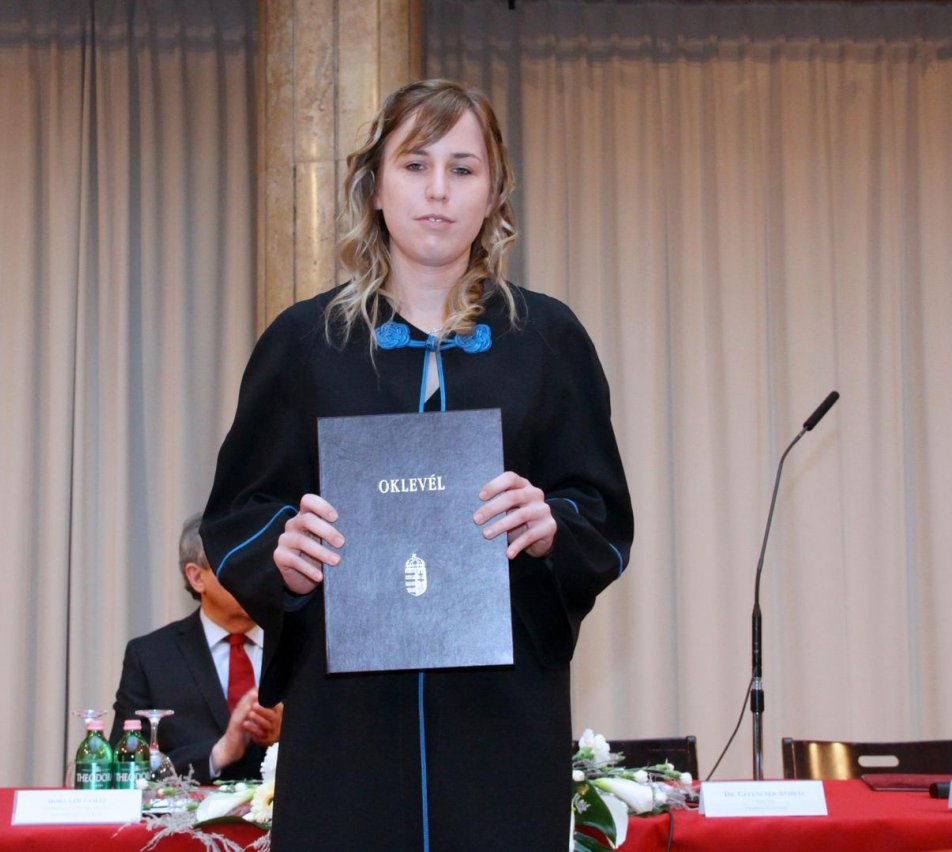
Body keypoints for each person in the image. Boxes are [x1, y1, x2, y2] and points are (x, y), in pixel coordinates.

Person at [200, 79, 632, 850]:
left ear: (494, 192)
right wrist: (282, 553)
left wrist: (551, 527)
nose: (438, 190)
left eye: (463, 169)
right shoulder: (304, 343)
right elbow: (237, 513)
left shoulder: (548, 340)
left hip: (503, 726)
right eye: (415, 164)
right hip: (346, 732)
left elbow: (602, 515)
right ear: (374, 187)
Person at [112, 513, 281, 782]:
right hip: (188, 808)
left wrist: (284, 736)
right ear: (197, 577)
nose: (257, 578)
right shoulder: (150, 657)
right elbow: (125, 767)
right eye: (239, 564)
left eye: (262, 564)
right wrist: (217, 754)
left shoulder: (301, 647)